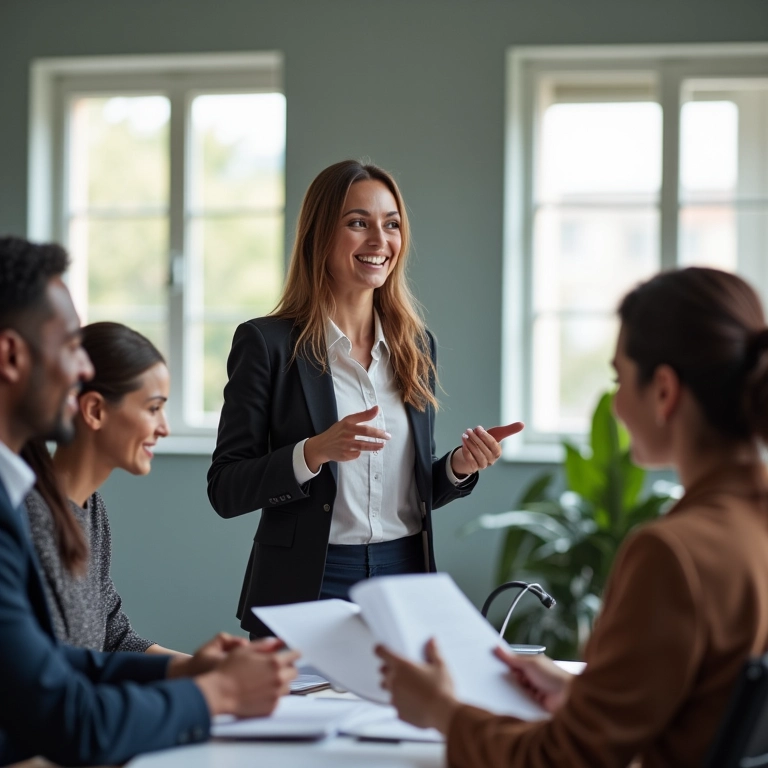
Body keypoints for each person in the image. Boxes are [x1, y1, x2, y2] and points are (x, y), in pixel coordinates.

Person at [376, 266, 768, 768]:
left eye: (619, 378)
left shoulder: (675, 555)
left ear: (665, 392)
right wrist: (586, 693)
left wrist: (443, 712)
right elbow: (705, 708)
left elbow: (563, 760)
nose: (617, 403)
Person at [0, 235, 298, 766]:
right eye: (70, 346)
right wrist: (218, 693)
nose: (82, 369)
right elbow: (65, 709)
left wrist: (187, 670)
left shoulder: (80, 509)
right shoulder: (21, 514)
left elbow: (84, 652)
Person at [208, 159, 523, 637]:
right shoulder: (266, 344)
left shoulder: (416, 345)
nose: (380, 241)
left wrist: (459, 466)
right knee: (299, 715)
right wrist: (313, 452)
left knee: (401, 714)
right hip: (307, 584)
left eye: (391, 225)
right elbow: (225, 489)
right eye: (358, 223)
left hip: (404, 576)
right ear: (319, 235)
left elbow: (408, 492)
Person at [21, 321, 183, 655]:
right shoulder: (29, 519)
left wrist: (212, 668)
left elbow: (114, 636)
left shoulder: (92, 509)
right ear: (95, 410)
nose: (164, 428)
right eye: (153, 408)